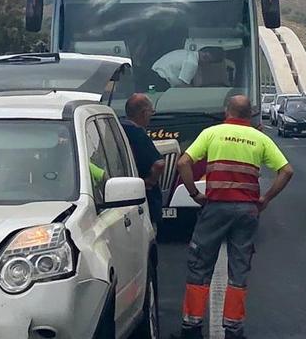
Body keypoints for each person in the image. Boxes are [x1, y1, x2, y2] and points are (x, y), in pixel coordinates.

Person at [175, 95, 294, 339]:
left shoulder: (212, 133)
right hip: (246, 210)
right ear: (249, 114)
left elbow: (183, 163)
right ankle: (233, 329)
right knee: (238, 269)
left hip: (215, 207)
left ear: (226, 112)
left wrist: (194, 193)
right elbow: (286, 171)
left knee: (199, 265)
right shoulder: (260, 138)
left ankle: (192, 328)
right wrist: (266, 198)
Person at [120, 93, 166, 227]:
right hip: (145, 198)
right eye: (151, 112)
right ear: (144, 113)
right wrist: (149, 182)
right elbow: (159, 164)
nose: (151, 116)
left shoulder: (117, 129)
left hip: (121, 193)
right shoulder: (138, 133)